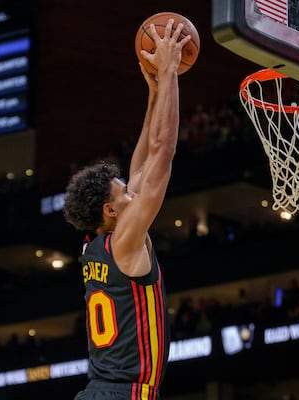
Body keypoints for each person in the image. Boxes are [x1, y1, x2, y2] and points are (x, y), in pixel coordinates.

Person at [62, 19, 191, 400]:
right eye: (126, 195)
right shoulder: (125, 243)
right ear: (111, 211)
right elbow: (164, 152)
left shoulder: (99, 245)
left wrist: (154, 94)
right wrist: (168, 70)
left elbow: (144, 162)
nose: (135, 193)